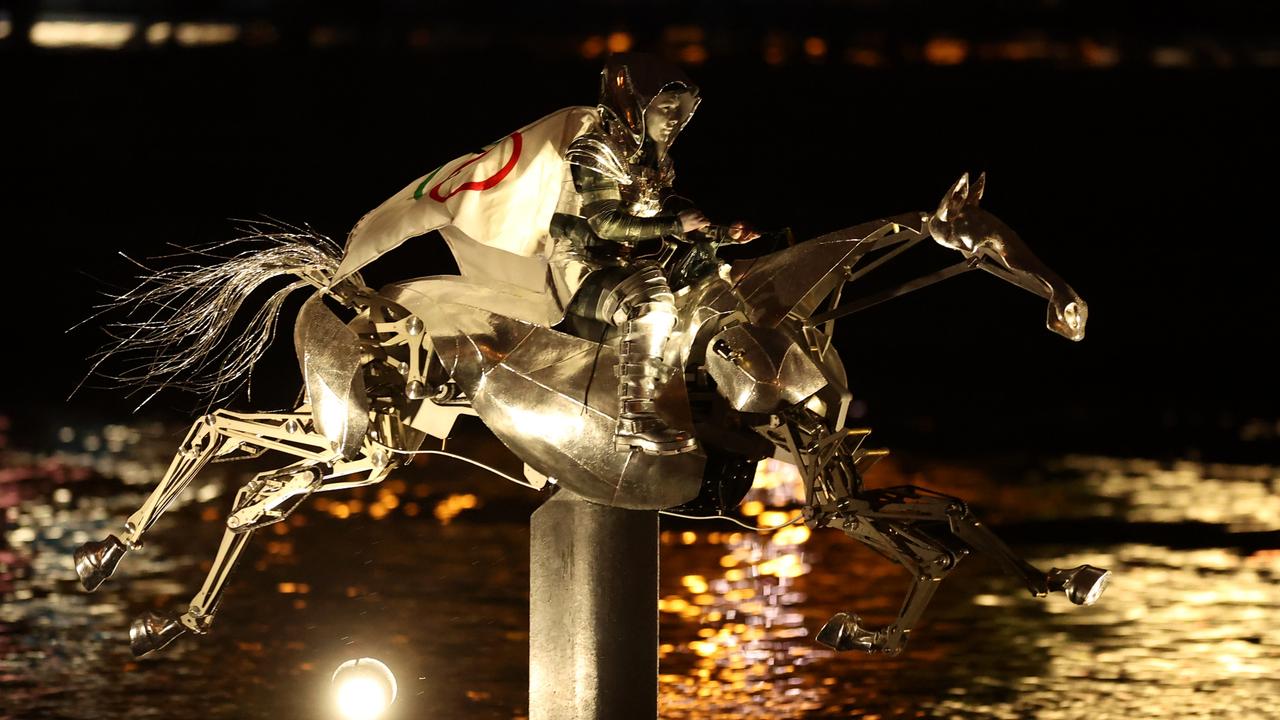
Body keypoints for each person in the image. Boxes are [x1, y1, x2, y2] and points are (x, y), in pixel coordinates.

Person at [549, 53, 755, 456]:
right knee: (653, 302)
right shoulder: (595, 151)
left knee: (712, 284)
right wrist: (677, 227)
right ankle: (635, 419)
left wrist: (718, 232)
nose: (674, 119)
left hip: (621, 263)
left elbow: (666, 207)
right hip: (578, 268)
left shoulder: (654, 161)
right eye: (664, 108)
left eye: (680, 110)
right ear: (636, 106)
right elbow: (605, 224)